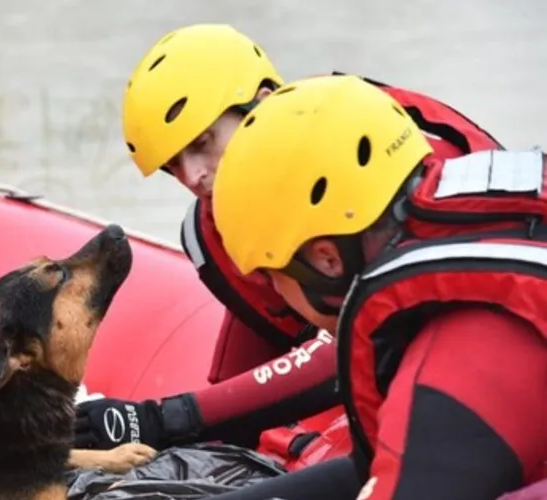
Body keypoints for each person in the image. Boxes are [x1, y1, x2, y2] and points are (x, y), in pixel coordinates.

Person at [74, 23, 504, 456]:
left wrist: (162, 418)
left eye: (202, 143)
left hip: (484, 356)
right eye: (173, 166)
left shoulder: (375, 150)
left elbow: (357, 338)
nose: (192, 176)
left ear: (260, 102)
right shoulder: (217, 226)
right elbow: (235, 392)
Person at [202, 74, 547, 499]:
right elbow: (372, 471)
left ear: (327, 259)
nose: (276, 292)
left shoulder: (445, 380)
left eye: (273, 275)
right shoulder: (486, 213)